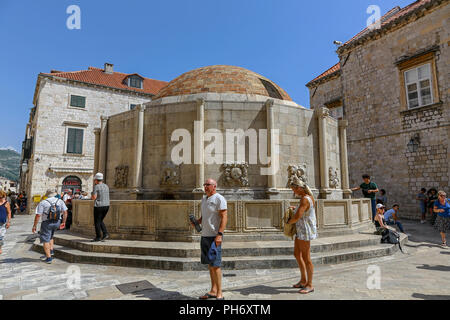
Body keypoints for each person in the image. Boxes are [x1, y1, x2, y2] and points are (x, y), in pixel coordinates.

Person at [191, 178, 227, 300]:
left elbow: (224, 217)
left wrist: (219, 235)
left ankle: (220, 293)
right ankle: (213, 290)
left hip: (214, 237)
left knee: (216, 265)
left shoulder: (219, 199)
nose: (205, 186)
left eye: (208, 184)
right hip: (205, 235)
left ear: (214, 186)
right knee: (210, 265)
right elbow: (205, 215)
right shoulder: (204, 199)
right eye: (204, 184)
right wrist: (197, 222)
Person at [287, 176, 317, 294]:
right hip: (301, 230)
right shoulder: (307, 198)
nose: (293, 192)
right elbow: (303, 211)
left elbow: (297, 217)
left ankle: (309, 284)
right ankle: (303, 280)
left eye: (293, 189)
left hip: (305, 231)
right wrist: (295, 208)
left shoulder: (305, 199)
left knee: (306, 258)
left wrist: (287, 223)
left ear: (299, 188)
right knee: (297, 254)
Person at [32, 189, 68, 264]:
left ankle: (48, 258)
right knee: (51, 236)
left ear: (47, 194)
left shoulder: (43, 202)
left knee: (45, 239)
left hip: (47, 223)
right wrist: (63, 222)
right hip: (57, 222)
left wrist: (34, 225)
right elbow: (65, 212)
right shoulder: (60, 201)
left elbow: (38, 215)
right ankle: (51, 251)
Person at [91, 173, 110, 242]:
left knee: (97, 222)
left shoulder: (96, 186)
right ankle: (105, 233)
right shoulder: (106, 186)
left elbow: (94, 197)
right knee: (100, 220)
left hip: (99, 206)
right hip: (107, 205)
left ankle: (98, 237)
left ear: (96, 180)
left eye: (94, 180)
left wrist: (92, 194)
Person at [0, 190, 12, 255]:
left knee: (1, 237)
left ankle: (0, 248)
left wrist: (8, 222)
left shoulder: (6, 203)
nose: (0, 199)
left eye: (1, 197)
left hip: (2, 223)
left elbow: (9, 212)